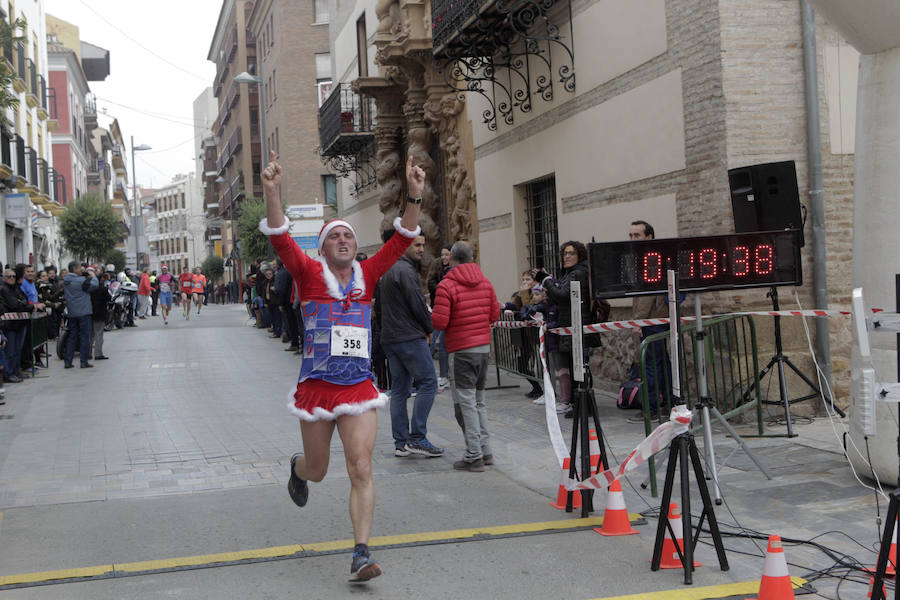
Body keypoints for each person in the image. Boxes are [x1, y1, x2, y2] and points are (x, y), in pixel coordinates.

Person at [261, 150, 424, 582]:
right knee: (318, 470)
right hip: (316, 388)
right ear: (322, 246)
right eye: (335, 237)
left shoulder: (369, 274)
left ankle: (360, 552)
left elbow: (402, 239)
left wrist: (414, 195)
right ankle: (298, 468)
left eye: (348, 237)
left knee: (361, 466)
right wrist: (272, 190)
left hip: (357, 388)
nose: (343, 241)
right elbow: (280, 237)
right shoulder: (308, 274)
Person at [432, 241, 500, 472]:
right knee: (479, 401)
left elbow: (440, 322)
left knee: (466, 404)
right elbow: (494, 315)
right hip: (482, 349)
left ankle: (474, 455)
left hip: (461, 350)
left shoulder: (446, 285)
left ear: (451, 258)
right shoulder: (486, 283)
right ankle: (486, 449)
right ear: (471, 258)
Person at [380, 233, 443, 459]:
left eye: (423, 245)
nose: (421, 249)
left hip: (391, 337)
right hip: (408, 336)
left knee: (399, 389)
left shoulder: (387, 269)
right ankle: (417, 438)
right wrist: (428, 328)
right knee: (428, 382)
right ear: (404, 245)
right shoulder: (405, 271)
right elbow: (417, 304)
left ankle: (401, 443)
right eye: (417, 245)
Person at [532, 241, 600, 419]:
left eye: (571, 253)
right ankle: (579, 404)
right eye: (564, 253)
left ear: (580, 255)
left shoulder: (578, 273)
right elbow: (559, 296)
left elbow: (562, 296)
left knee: (580, 367)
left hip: (578, 326)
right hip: (570, 327)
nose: (567, 256)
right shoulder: (571, 273)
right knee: (575, 367)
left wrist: (546, 281)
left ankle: (584, 405)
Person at [627, 220, 671, 423]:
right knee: (661, 364)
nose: (633, 239)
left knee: (652, 365)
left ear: (649, 237)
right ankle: (668, 405)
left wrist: (638, 322)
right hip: (656, 320)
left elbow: (646, 296)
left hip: (652, 321)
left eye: (637, 235)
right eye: (631, 235)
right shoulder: (652, 256)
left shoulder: (650, 259)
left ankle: (653, 409)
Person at [0, 267, 42, 381]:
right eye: (9, 276)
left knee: (18, 350)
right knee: (11, 351)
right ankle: (9, 374)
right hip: (10, 325)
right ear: (4, 278)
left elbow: (24, 300)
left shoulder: (17, 289)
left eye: (13, 276)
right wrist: (27, 305)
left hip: (20, 323)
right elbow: (15, 305)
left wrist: (25, 305)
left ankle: (16, 370)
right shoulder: (3, 289)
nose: (12, 278)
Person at [63, 261, 97, 369]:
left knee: (72, 336)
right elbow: (94, 285)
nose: (81, 270)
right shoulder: (81, 281)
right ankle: (84, 361)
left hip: (72, 312)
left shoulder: (66, 280)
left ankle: (68, 361)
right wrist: (93, 276)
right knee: (85, 337)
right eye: (79, 268)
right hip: (84, 312)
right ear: (75, 269)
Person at [427, 244, 452, 389]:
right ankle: (438, 375)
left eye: (446, 254)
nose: (444, 257)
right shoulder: (436, 267)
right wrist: (441, 287)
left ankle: (446, 376)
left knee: (442, 344)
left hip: (450, 310)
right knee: (435, 342)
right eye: (442, 254)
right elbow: (430, 283)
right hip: (439, 308)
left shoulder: (455, 269)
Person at [89, 267, 110, 360]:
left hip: (90, 312)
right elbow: (108, 298)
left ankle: (88, 354)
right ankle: (98, 354)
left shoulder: (90, 289)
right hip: (100, 314)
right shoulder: (103, 289)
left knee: (90, 335)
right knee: (98, 334)